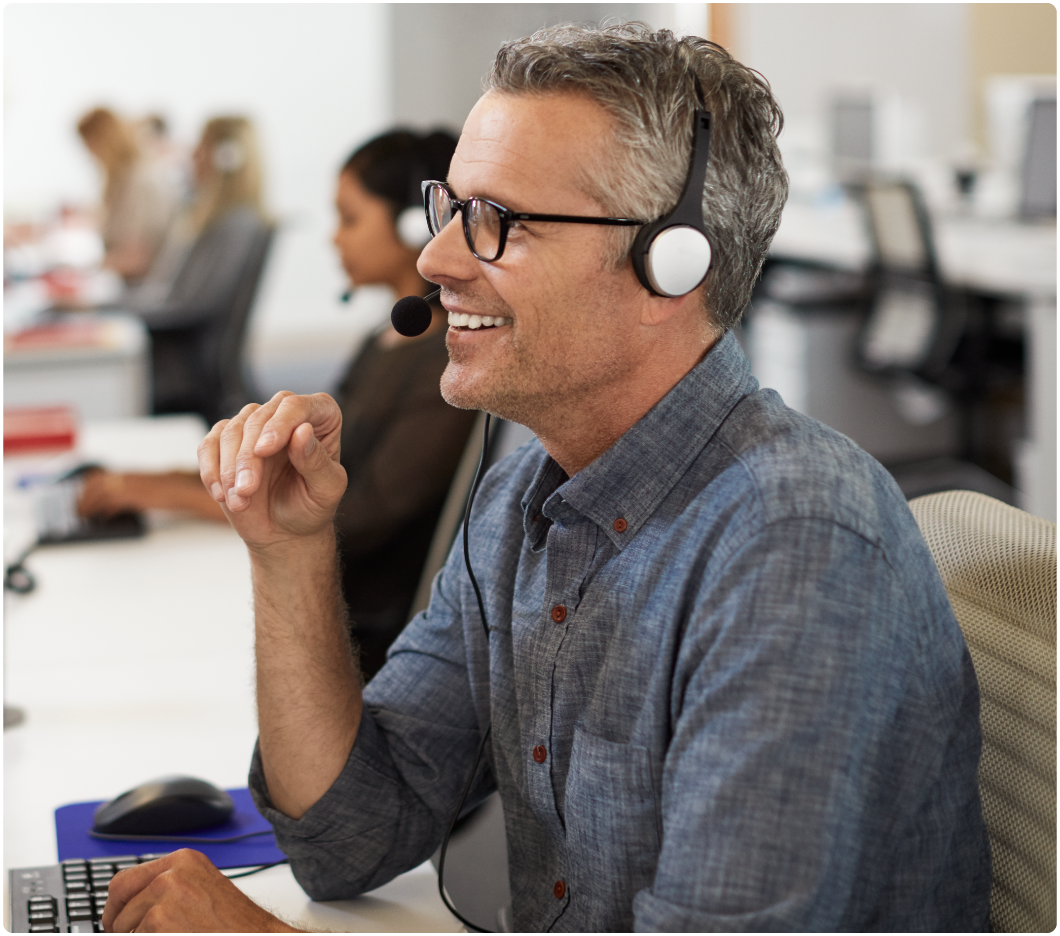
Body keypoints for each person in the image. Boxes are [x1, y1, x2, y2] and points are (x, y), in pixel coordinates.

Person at [103, 24, 990, 934]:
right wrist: (288, 551)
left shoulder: (794, 548)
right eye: (449, 207)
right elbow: (346, 839)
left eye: (499, 222)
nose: (438, 259)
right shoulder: (525, 489)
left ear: (669, 264)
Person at [79, 130, 474, 679]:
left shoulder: (443, 366)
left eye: (350, 219)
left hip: (360, 620)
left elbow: (355, 517)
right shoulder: (386, 338)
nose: (335, 240)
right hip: (325, 583)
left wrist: (159, 493)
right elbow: (303, 465)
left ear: (415, 224)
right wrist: (158, 481)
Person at [124, 116, 270, 421]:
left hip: (184, 366)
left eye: (200, 147)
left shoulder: (233, 224)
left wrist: (112, 309)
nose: (192, 157)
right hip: (183, 354)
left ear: (225, 158)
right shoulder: (214, 219)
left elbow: (186, 306)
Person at [77, 107, 178, 283]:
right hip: (128, 288)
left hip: (143, 292)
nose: (90, 155)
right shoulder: (124, 181)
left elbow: (136, 261)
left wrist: (83, 270)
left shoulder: (141, 181)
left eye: (91, 145)